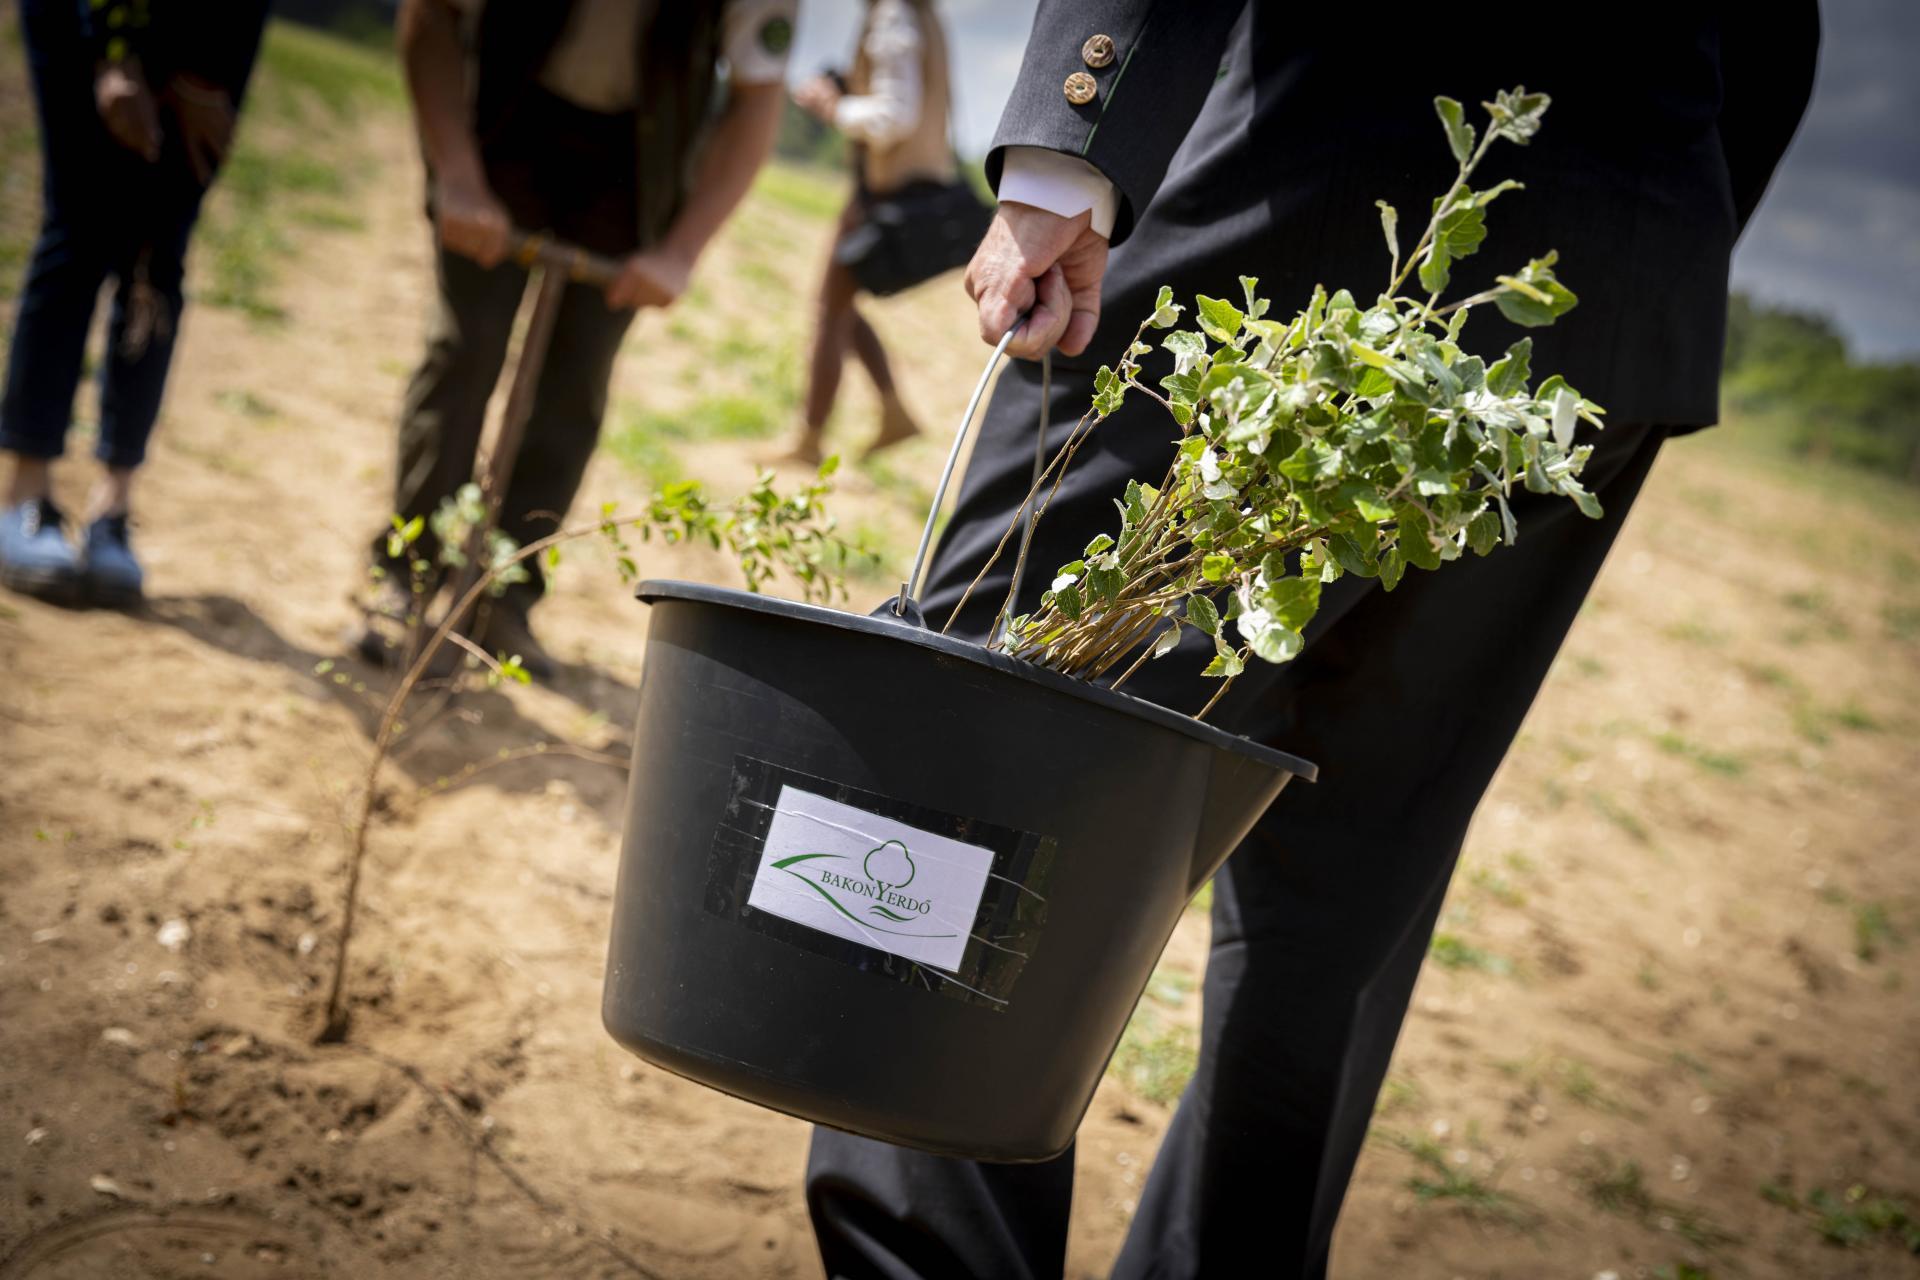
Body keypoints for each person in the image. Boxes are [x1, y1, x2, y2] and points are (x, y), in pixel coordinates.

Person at [804, 6, 1819, 1279]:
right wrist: (1647, 217)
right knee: (1345, 884)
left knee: (979, 746)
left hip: (1309, 185)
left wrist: (1074, 145)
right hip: (1619, 277)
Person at [356, 0, 796, 678]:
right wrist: (458, 177)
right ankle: (409, 580)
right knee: (463, 355)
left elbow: (757, 97)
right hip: (504, 122)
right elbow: (431, 17)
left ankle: (502, 597)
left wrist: (681, 250)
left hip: (638, 160)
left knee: (574, 388)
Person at [0, 0, 270, 607]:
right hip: (87, 14)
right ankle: (23, 492)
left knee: (161, 254)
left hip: (215, 31)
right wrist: (112, 47)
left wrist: (201, 74)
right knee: (77, 229)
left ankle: (113, 504)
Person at [782, 0, 960, 466]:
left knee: (830, 309)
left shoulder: (893, 15)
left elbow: (894, 116)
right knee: (840, 306)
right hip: (899, 191)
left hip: (884, 199)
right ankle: (893, 411)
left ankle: (809, 441)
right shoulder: (920, 15)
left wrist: (834, 106)